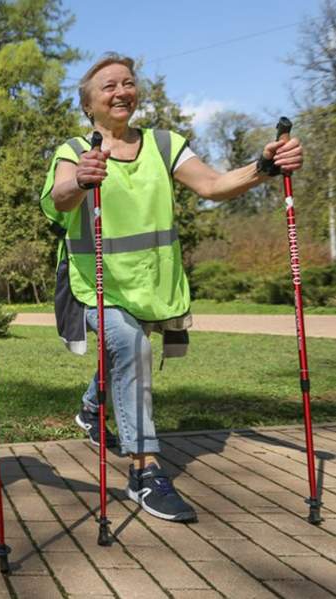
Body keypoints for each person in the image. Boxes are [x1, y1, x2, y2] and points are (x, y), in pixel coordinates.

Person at [40, 53, 303, 522]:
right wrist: (81, 179)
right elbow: (59, 194)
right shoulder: (75, 149)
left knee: (129, 352)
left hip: (152, 282)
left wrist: (263, 166)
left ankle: (90, 407)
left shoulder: (165, 145)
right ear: (88, 105)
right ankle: (145, 470)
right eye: (109, 86)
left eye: (128, 83)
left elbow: (214, 185)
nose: (122, 91)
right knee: (130, 344)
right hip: (92, 285)